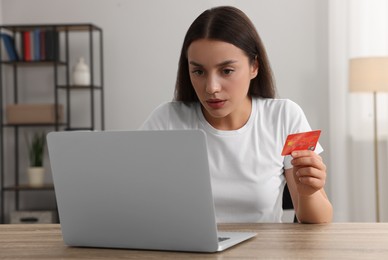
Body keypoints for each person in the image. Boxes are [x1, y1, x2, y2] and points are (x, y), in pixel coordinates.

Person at [141, 6, 333, 223]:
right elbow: (133, 198)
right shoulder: (166, 120)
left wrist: (308, 192)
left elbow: (319, 220)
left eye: (226, 71)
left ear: (254, 67)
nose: (211, 87)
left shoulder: (286, 116)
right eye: (198, 71)